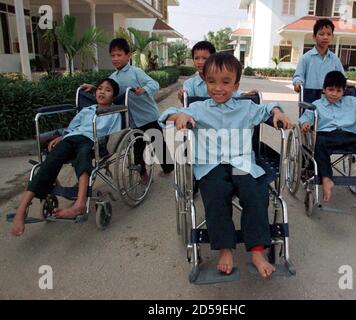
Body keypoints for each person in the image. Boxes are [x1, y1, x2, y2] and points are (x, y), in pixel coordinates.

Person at [159, 53, 292, 279]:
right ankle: (225, 249)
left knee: (255, 192)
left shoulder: (247, 108)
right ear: (205, 81)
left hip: (242, 163)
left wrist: (277, 112)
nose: (217, 88)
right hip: (210, 165)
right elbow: (166, 115)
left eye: (225, 82)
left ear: (236, 85)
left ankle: (258, 252)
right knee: (215, 194)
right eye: (211, 81)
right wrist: (179, 115)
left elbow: (269, 109)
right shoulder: (199, 108)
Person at [11, 78, 122, 237]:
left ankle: (80, 204)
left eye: (107, 90)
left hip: (92, 141)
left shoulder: (114, 113)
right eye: (99, 88)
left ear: (113, 97)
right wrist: (62, 136)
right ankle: (21, 210)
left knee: (83, 156)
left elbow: (113, 134)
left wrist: (101, 144)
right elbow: (72, 128)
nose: (102, 91)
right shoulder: (86, 110)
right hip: (72, 138)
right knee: (49, 163)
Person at [81, 38, 174, 180]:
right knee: (137, 147)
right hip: (132, 121)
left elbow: (154, 84)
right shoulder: (113, 77)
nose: (116, 58)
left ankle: (168, 168)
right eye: (113, 55)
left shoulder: (136, 72)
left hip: (148, 116)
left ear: (128, 56)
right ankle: (142, 173)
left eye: (119, 55)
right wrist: (94, 88)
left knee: (158, 143)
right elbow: (108, 91)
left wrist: (143, 89)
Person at [299, 71, 356, 205]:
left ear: (344, 91)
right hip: (327, 136)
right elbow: (306, 117)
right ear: (324, 90)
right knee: (319, 144)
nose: (334, 94)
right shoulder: (317, 104)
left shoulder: (350, 101)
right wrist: (306, 124)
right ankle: (326, 179)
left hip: (349, 136)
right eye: (330, 89)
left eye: (338, 90)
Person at [177, 40, 256, 102]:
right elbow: (187, 101)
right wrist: (183, 97)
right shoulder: (189, 84)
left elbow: (232, 92)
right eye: (196, 58)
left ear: (213, 59)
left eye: (205, 58)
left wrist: (244, 95)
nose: (200, 62)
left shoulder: (223, 79)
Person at [293, 18, 345, 102]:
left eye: (329, 34)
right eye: (321, 34)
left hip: (330, 100)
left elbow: (341, 78)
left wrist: (345, 83)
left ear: (332, 37)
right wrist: (297, 83)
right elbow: (298, 76)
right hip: (310, 97)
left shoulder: (335, 59)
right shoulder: (306, 58)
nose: (325, 37)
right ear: (314, 36)